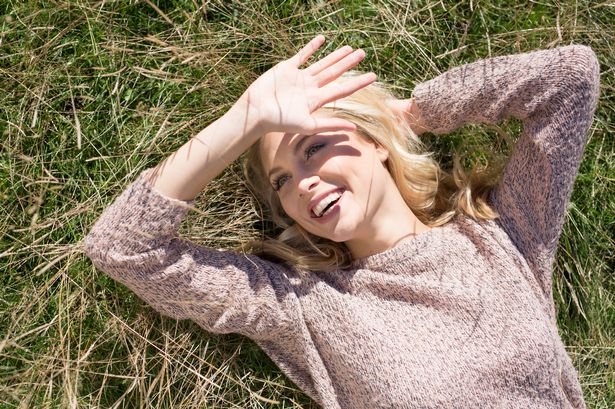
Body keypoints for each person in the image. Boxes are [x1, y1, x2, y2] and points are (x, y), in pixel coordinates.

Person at [84, 35, 600, 408]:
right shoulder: (304, 304)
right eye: (282, 181)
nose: (303, 184)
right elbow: (123, 247)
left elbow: (570, 78)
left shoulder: (504, 233)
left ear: (375, 143)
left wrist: (412, 115)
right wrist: (245, 118)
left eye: (313, 149)